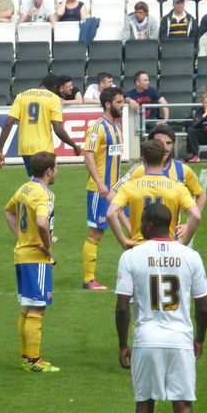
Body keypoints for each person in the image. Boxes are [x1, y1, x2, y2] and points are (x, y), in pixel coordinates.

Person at [115, 203, 207, 413]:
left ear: (149, 224)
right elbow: (203, 306)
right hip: (180, 340)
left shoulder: (131, 257)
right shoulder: (190, 256)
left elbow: (121, 308)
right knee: (183, 407)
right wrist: (200, 339)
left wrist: (122, 344)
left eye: (142, 221)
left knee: (144, 405)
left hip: (147, 340)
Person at [3, 151, 61, 373]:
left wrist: (22, 237)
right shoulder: (44, 194)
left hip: (21, 254)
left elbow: (7, 211)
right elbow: (42, 223)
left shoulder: (24, 188)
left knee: (27, 307)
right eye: (56, 167)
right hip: (36, 258)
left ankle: (26, 357)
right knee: (38, 308)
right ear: (48, 171)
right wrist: (46, 246)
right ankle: (34, 361)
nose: (57, 171)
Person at [106, 139, 201, 248]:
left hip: (139, 248)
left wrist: (123, 240)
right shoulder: (178, 187)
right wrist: (184, 243)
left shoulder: (129, 187)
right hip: (167, 249)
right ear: (163, 158)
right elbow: (196, 215)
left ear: (143, 159)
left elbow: (111, 213)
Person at [115, 125, 207, 232]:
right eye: (160, 142)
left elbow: (201, 195)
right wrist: (127, 223)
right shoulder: (139, 169)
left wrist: (189, 224)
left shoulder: (182, 170)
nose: (165, 147)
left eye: (169, 143)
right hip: (142, 238)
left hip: (171, 238)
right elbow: (113, 194)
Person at [81, 87, 125, 291]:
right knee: (96, 232)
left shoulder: (116, 126)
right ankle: (89, 279)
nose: (122, 105)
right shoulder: (97, 127)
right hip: (100, 191)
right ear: (107, 104)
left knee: (131, 225)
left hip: (115, 190)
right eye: (118, 102)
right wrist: (100, 184)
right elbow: (88, 155)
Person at [0, 74, 82, 175]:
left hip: (26, 148)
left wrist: (0, 151)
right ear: (54, 87)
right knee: (45, 180)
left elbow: (8, 123)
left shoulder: (21, 96)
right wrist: (74, 146)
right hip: (44, 149)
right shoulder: (54, 99)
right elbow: (58, 129)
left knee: (34, 179)